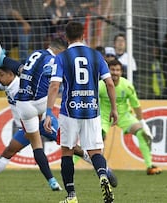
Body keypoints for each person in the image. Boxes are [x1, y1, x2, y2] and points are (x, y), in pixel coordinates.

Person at [43, 21, 117, 203]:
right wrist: (114, 108)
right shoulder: (96, 56)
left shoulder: (62, 57)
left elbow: (54, 85)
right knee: (95, 152)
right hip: (92, 110)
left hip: (70, 111)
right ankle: (102, 176)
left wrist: (48, 112)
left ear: (66, 38)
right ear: (83, 36)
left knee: (67, 151)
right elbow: (109, 83)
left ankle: (71, 196)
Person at [0, 66, 62, 190]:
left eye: (1, 75)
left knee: (70, 146)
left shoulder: (22, 86)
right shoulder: (7, 84)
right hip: (27, 126)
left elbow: (38, 103)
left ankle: (93, 160)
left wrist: (33, 126)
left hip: (44, 122)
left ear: (11, 74)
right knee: (9, 151)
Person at [100, 59, 162, 175]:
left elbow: (136, 105)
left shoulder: (127, 85)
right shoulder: (100, 85)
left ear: (121, 72)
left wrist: (143, 123)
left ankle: (149, 166)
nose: (115, 72)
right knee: (97, 138)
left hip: (124, 116)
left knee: (142, 133)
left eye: (117, 70)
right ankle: (99, 167)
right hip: (105, 116)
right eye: (112, 70)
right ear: (108, 71)